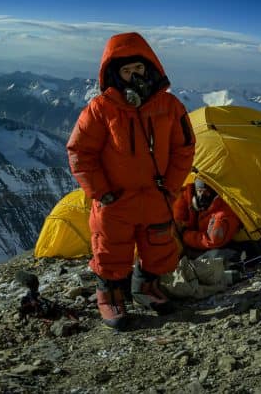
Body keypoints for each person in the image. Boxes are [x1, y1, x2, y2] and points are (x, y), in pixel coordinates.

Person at [67, 32, 196, 329]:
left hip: (156, 195)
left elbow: (184, 147)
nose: (134, 75)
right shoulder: (101, 109)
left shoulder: (170, 106)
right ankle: (110, 295)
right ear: (115, 74)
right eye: (126, 71)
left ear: (149, 67)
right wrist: (102, 192)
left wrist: (171, 186)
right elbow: (80, 151)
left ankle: (146, 287)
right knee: (110, 249)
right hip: (116, 199)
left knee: (159, 246)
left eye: (138, 68)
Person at [174, 178, 242, 260]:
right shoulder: (187, 195)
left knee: (216, 256)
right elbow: (177, 219)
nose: (202, 196)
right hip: (192, 240)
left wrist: (185, 235)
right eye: (200, 191)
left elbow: (213, 240)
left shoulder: (224, 214)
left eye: (206, 192)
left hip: (216, 246)